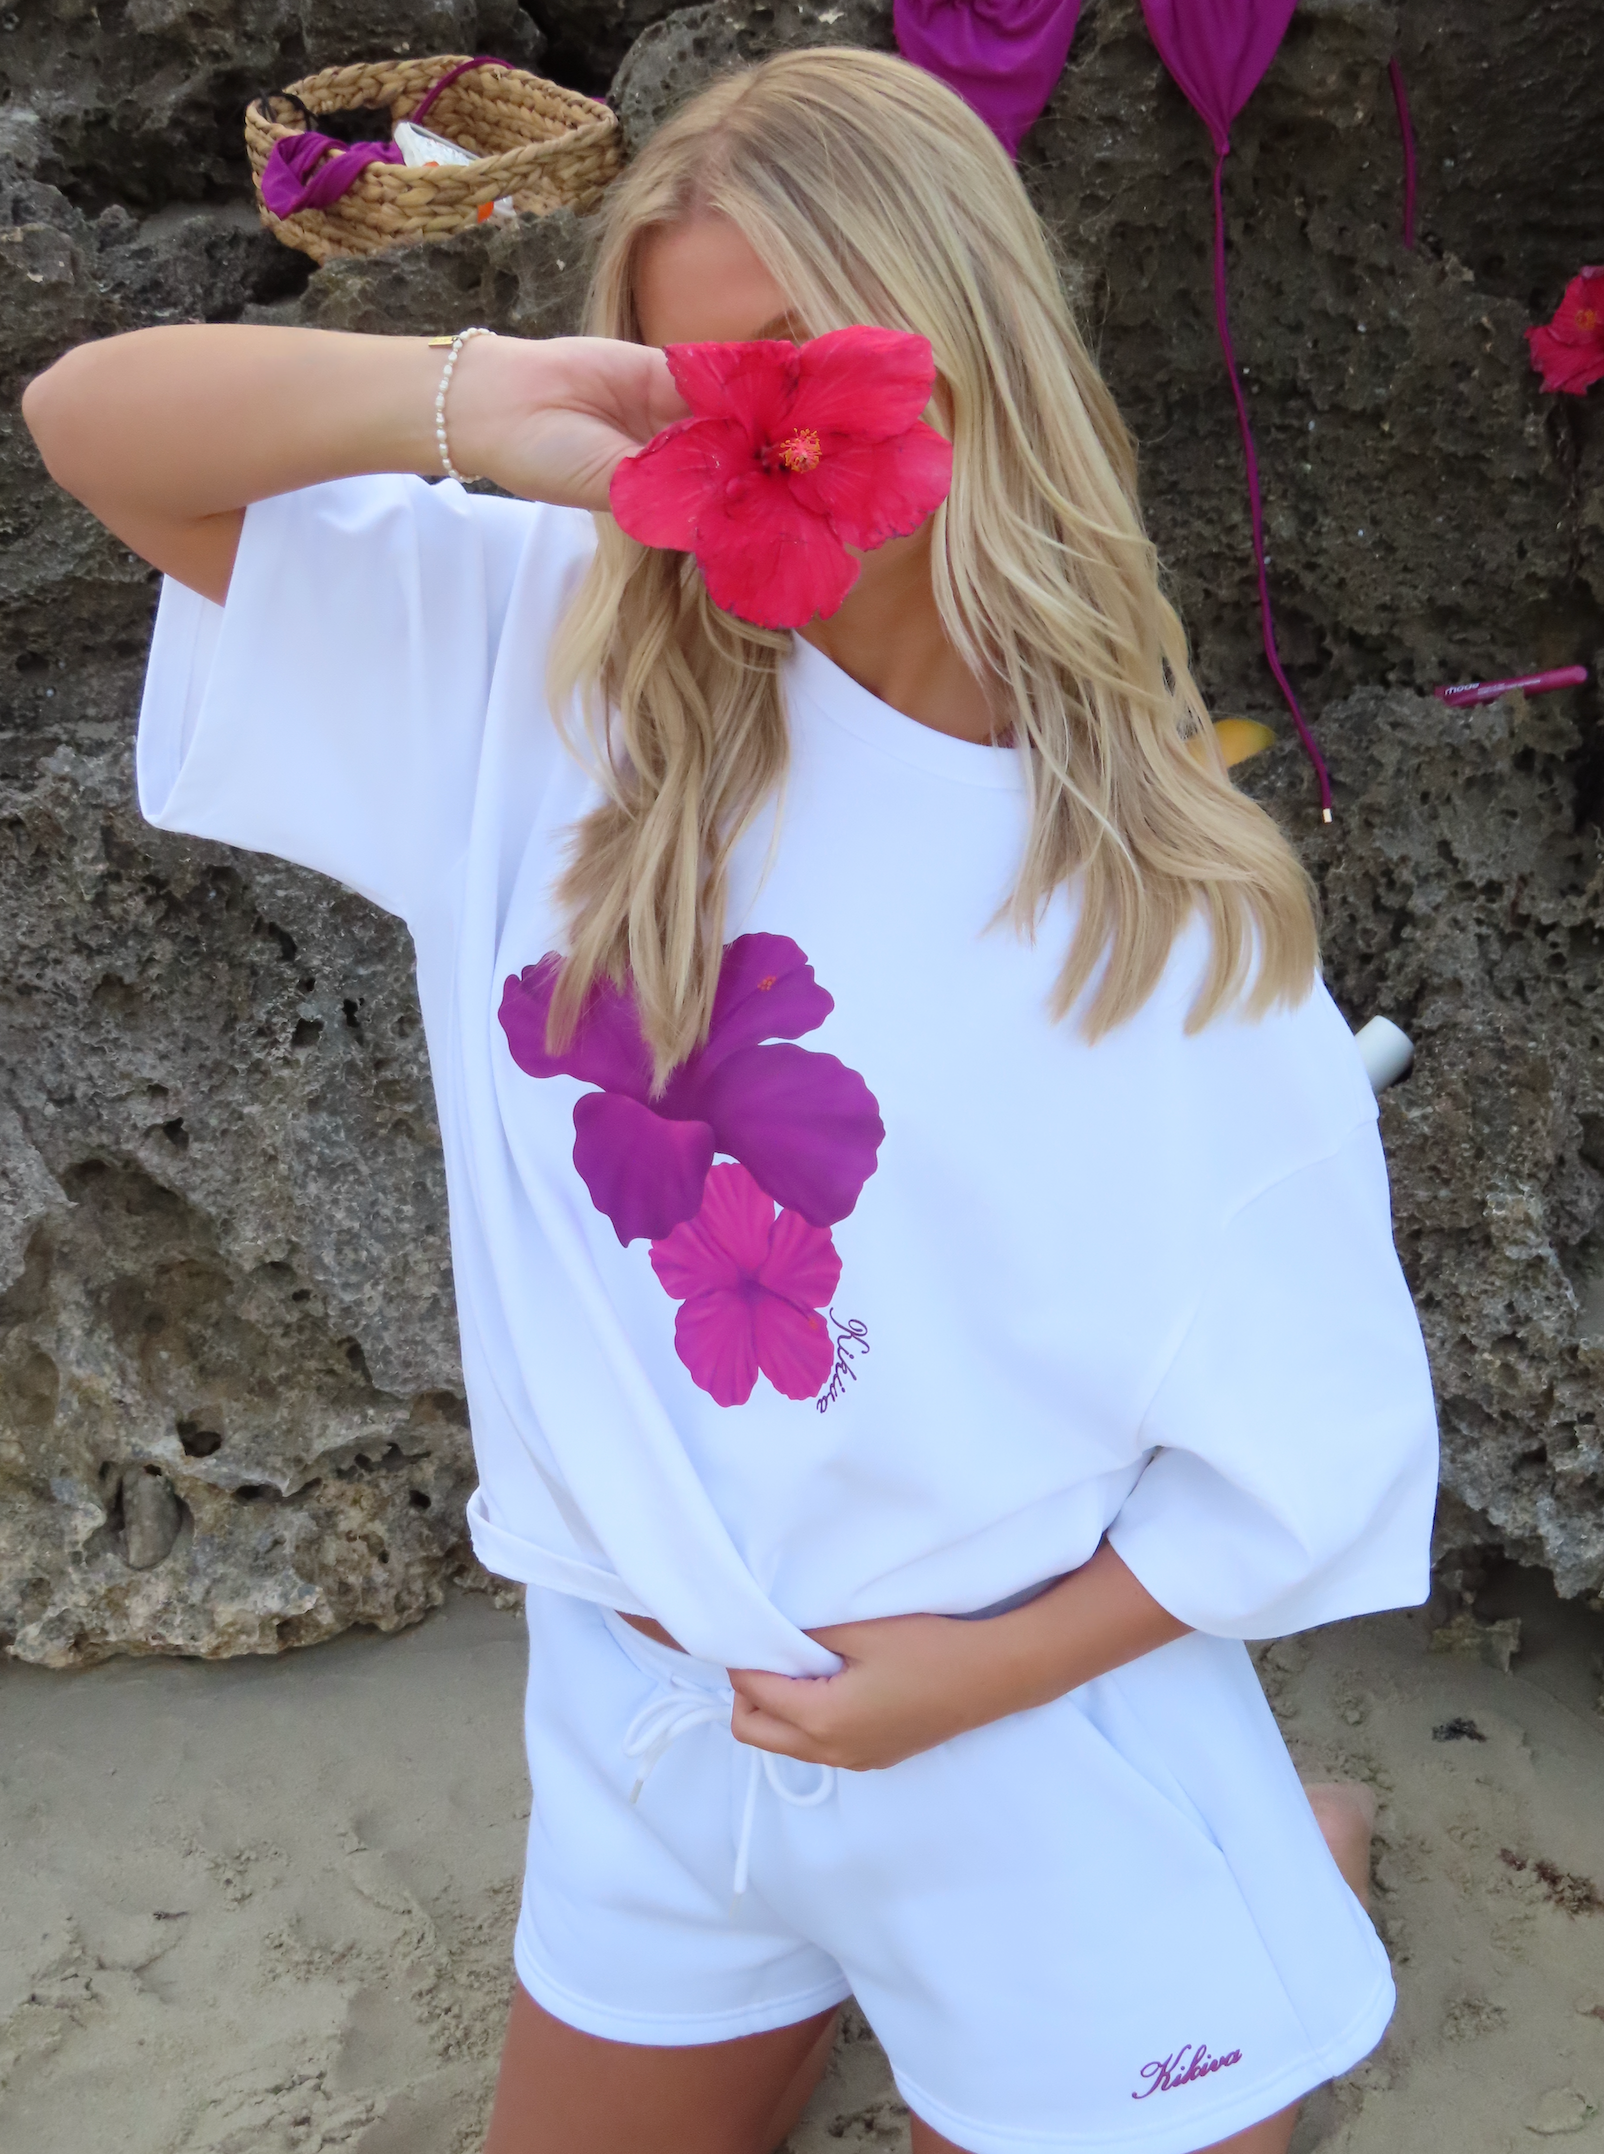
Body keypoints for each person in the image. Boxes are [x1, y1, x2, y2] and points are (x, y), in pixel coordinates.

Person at [24, 47, 1438, 2154]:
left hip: (1011, 1741)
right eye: (692, 381)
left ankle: (1267, 1858)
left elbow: (1313, 1440)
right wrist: (484, 398)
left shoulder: (1149, 908)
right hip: (641, 1719)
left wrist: (958, 1693)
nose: (749, 427)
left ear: (965, 357)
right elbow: (89, 422)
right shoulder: (542, 666)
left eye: (796, 358)